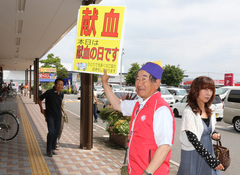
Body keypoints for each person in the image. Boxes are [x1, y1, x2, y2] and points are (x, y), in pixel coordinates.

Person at [101, 61, 175, 175]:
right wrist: (105, 82)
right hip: (135, 170)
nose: (139, 83)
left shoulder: (160, 109)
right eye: (137, 79)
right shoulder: (139, 104)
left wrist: (147, 173)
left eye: (144, 79)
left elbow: (165, 146)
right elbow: (117, 105)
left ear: (156, 83)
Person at [177, 76, 224, 175]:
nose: (209, 93)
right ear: (195, 90)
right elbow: (193, 139)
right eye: (205, 89)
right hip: (193, 154)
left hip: (208, 150)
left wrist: (214, 134)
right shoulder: (189, 112)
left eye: (211, 89)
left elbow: (208, 130)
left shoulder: (209, 110)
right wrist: (211, 160)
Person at [38, 78, 64, 157]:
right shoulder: (49, 92)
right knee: (51, 131)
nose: (60, 86)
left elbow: (59, 104)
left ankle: (53, 148)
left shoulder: (62, 94)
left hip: (58, 116)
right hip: (50, 115)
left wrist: (62, 110)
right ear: (55, 85)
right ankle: (48, 149)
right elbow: (39, 98)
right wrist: (41, 109)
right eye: (58, 84)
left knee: (56, 133)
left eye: (61, 85)